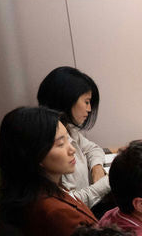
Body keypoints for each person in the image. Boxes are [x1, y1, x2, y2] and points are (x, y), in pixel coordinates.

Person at [0, 106, 97, 236]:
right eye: (61, 144)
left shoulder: (31, 189)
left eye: (68, 140)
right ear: (35, 153)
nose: (72, 150)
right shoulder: (56, 214)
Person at [37, 66, 111, 212]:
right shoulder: (46, 139)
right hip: (83, 217)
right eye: (86, 102)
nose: (89, 109)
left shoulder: (66, 128)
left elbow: (93, 148)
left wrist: (97, 167)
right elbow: (68, 204)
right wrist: (106, 183)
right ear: (66, 99)